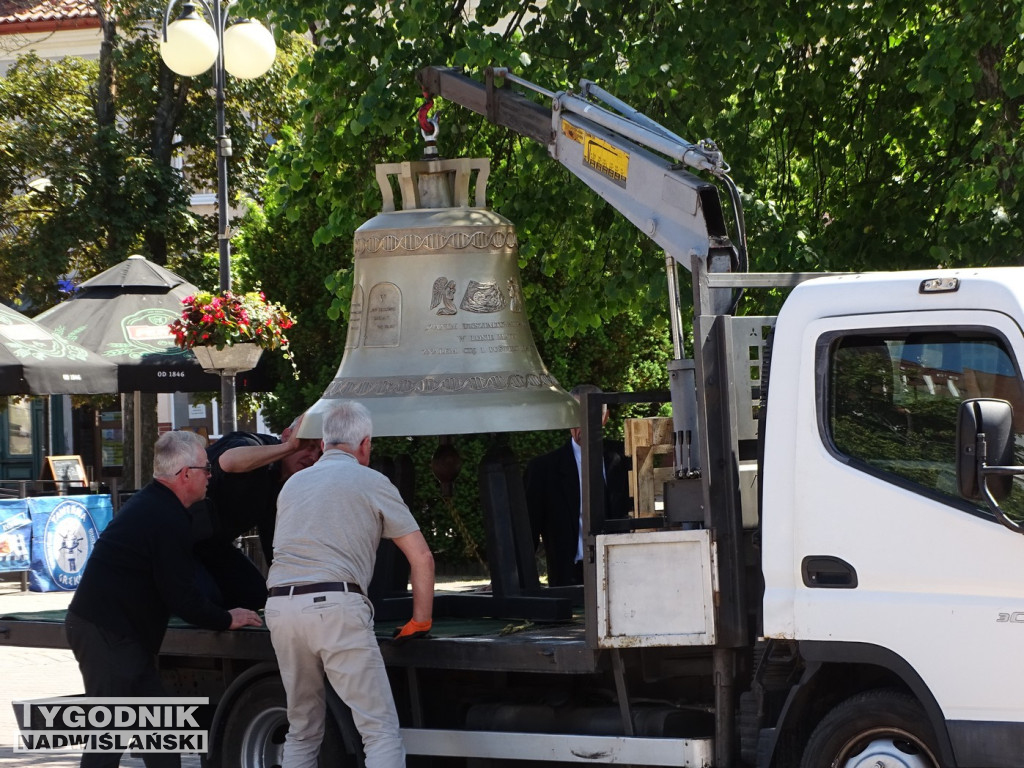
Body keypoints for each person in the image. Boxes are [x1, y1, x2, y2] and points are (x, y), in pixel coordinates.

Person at [65, 430, 262, 768]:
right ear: (186, 475)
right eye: (206, 469)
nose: (210, 477)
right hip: (107, 634)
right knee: (107, 741)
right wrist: (227, 618)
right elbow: (182, 597)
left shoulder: (160, 506)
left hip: (123, 636)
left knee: (162, 739)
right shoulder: (164, 517)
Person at [265, 400, 434, 768]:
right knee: (379, 731)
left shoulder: (293, 484)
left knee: (303, 728)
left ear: (323, 444)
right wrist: (420, 621)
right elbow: (421, 557)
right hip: (335, 606)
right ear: (365, 444)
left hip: (280, 607)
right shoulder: (371, 480)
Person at [193, 414, 321, 610]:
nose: (312, 458)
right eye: (308, 446)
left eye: (319, 453)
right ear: (287, 435)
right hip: (175, 543)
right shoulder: (252, 444)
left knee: (256, 597)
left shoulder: (287, 485)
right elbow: (228, 461)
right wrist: (289, 448)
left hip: (215, 547)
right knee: (207, 601)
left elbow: (274, 543)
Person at [525, 384, 631, 587]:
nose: (582, 423)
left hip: (623, 571)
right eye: (575, 415)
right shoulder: (543, 469)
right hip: (569, 575)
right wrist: (516, 580)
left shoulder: (626, 459)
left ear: (605, 418)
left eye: (589, 415)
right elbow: (528, 530)